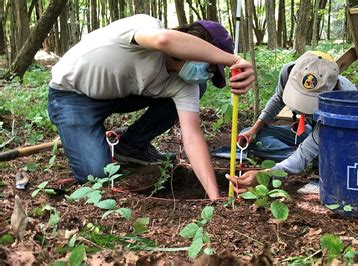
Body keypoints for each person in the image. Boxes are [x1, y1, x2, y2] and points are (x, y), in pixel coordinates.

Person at [48, 14, 255, 200]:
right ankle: (89, 136)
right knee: (95, 176)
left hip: (121, 93)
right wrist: (234, 60)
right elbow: (164, 40)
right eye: (210, 66)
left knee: (197, 89)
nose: (207, 74)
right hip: (73, 95)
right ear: (197, 46)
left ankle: (129, 146)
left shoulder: (185, 84)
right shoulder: (146, 27)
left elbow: (192, 136)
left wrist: (214, 196)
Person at [226, 51, 356, 194]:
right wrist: (255, 130)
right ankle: (303, 161)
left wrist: (266, 175)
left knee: (322, 154)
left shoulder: (344, 102)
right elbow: (277, 99)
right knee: (248, 134)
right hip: (307, 132)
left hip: (331, 141)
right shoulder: (289, 72)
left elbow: (311, 146)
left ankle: (307, 161)